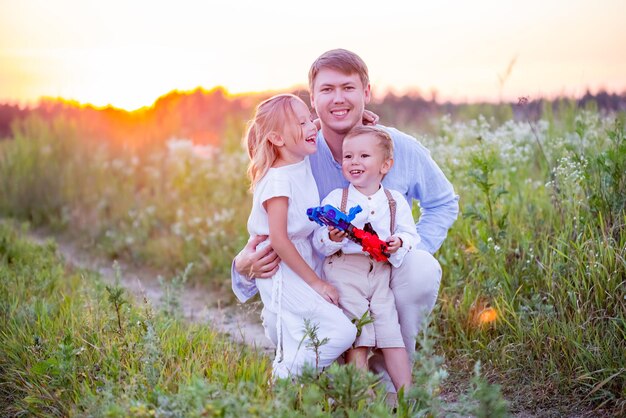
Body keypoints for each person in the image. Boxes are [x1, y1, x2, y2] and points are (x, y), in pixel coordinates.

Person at [233, 49, 459, 389]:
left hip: (382, 275)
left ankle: (390, 378)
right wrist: (242, 266)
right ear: (313, 99)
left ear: (366, 93)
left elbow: (443, 203)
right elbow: (273, 228)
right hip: (320, 278)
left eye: (348, 88)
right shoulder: (297, 154)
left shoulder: (399, 147)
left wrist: (404, 251)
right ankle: (325, 379)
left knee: (420, 269)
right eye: (327, 90)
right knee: (323, 339)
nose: (338, 99)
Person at [242, 93, 356, 379]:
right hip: (280, 267)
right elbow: (279, 240)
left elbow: (312, 129)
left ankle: (299, 379)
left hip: (300, 258)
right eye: (301, 122)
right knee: (341, 332)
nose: (312, 127)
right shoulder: (279, 180)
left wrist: (353, 120)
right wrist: (317, 283)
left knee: (305, 330)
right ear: (277, 139)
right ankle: (285, 377)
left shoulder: (298, 157)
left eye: (309, 119)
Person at [313, 125, 418, 392]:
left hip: (380, 274)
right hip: (344, 272)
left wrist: (399, 242)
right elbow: (319, 242)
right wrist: (333, 238)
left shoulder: (395, 201)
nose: (354, 162)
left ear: (386, 165)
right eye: (348, 157)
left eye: (364, 156)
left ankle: (407, 396)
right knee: (357, 335)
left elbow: (409, 233)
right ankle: (361, 399)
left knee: (391, 334)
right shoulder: (338, 199)